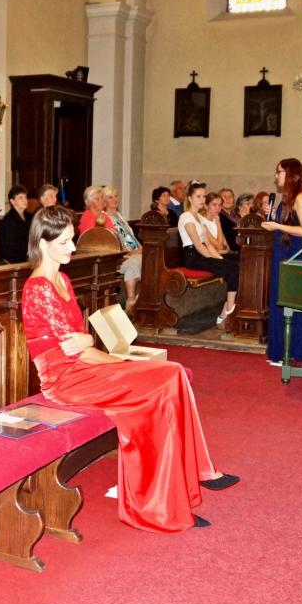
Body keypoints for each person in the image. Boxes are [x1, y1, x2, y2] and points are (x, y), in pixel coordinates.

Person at [19, 206, 238, 532]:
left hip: (83, 368)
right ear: (43, 243)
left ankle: (193, 473)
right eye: (64, 242)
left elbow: (82, 343)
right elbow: (76, 349)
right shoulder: (38, 289)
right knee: (157, 388)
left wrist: (91, 344)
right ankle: (155, 506)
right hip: (65, 380)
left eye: (72, 239)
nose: (73, 247)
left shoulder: (62, 279)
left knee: (174, 372)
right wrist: (122, 362)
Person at [261, 158, 302, 363]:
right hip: (284, 251)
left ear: (290, 174)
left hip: (294, 254)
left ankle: (290, 351)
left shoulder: (300, 196)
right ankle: (281, 351)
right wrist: (275, 216)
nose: (276, 176)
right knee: (280, 301)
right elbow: (291, 221)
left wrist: (277, 226)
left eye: (279, 172)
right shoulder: (289, 196)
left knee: (289, 302)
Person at [178, 184, 238, 324]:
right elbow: (198, 245)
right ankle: (228, 310)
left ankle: (229, 307)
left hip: (203, 252)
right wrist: (216, 259)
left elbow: (208, 244)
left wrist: (220, 258)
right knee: (234, 268)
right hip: (193, 256)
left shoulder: (199, 217)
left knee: (238, 260)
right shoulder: (186, 217)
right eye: (198, 196)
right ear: (190, 198)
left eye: (203, 196)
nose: (202, 199)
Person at [103, 186, 142, 309]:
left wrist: (140, 248)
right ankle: (131, 300)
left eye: (116, 196)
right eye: (110, 197)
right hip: (119, 257)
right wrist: (132, 252)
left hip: (133, 252)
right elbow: (113, 243)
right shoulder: (103, 218)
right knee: (134, 263)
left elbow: (130, 237)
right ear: (104, 201)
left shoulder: (119, 216)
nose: (115, 199)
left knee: (149, 259)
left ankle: (138, 299)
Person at [0, 184, 33, 264]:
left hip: (29, 257)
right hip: (15, 260)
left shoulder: (30, 216)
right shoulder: (8, 220)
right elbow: (9, 248)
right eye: (21, 197)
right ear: (12, 201)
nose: (25, 200)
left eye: (25, 197)